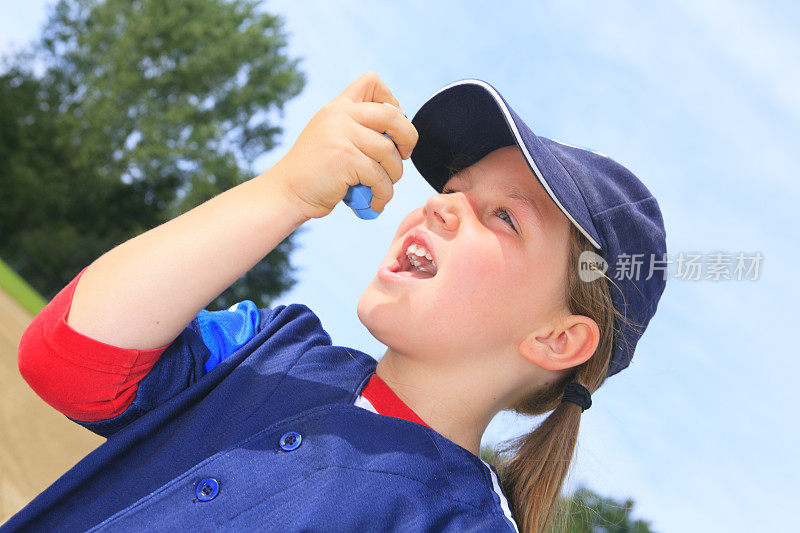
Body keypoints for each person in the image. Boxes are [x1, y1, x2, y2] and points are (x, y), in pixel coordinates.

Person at [7, 72, 667, 533]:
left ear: (557, 340)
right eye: (454, 189)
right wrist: (283, 193)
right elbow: (66, 360)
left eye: (502, 217)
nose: (440, 203)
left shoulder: (456, 521)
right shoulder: (271, 346)